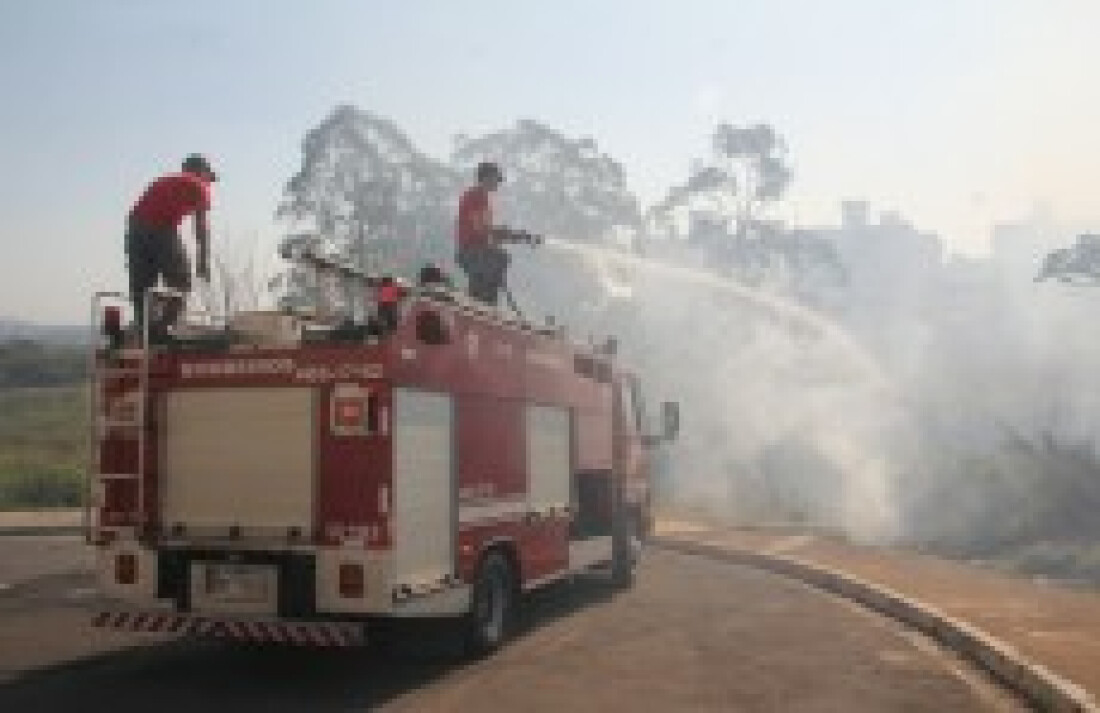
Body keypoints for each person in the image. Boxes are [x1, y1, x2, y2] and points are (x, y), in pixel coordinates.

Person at [125, 154, 216, 338]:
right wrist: (203, 260)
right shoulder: (199, 185)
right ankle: (162, 329)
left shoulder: (167, 180)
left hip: (135, 227)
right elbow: (201, 227)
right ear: (202, 172)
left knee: (143, 287)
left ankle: (145, 331)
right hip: (160, 227)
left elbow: (143, 209)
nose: (210, 183)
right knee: (181, 282)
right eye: (209, 178)